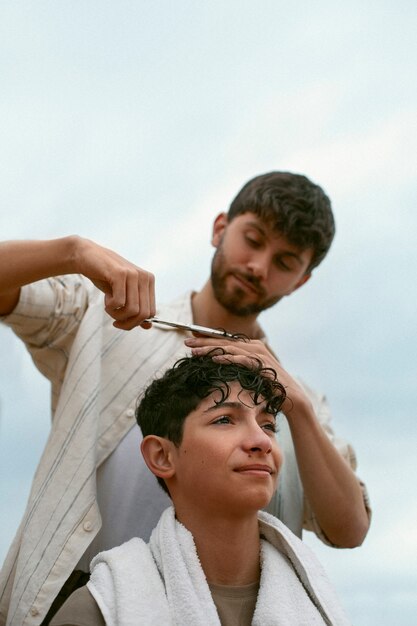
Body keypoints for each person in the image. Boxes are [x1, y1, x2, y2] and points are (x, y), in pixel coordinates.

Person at [0, 171, 370, 625]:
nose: (259, 266)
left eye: (285, 261)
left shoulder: (295, 398)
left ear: (301, 281)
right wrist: (75, 252)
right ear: (220, 228)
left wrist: (300, 412)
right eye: (252, 239)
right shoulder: (105, 323)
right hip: (78, 602)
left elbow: (349, 529)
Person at [50, 353, 351, 626]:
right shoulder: (98, 609)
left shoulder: (317, 601)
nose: (261, 441)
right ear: (162, 456)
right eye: (224, 420)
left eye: (269, 425)